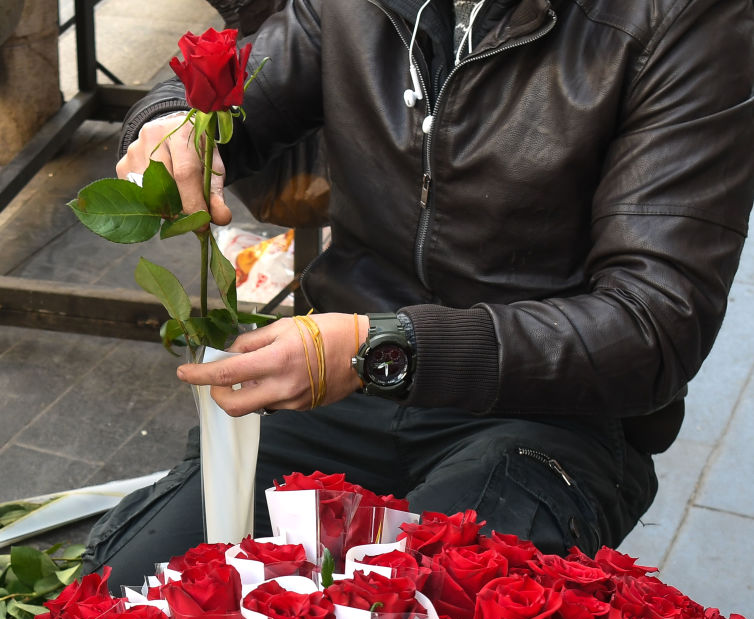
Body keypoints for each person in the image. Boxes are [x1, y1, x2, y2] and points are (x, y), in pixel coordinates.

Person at [83, 0, 754, 587]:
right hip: (343, 383)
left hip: (547, 413)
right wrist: (169, 125)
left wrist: (383, 347)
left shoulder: (680, 17)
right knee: (120, 604)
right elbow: (234, 89)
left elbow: (655, 326)